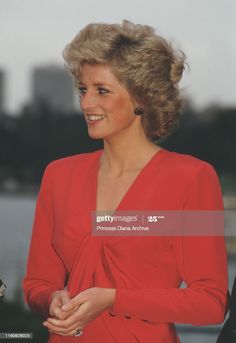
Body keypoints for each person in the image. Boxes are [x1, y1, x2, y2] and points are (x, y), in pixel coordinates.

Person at [23, 20, 228, 342]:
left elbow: (211, 303)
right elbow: (36, 284)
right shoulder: (58, 175)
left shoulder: (192, 179)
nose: (86, 103)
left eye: (101, 90)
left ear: (142, 99)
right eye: (83, 89)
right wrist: (52, 299)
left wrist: (114, 299)